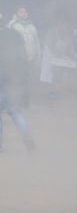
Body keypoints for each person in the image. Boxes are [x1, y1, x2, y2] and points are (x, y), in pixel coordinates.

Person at [0, 14, 35, 153]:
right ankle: (28, 139)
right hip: (11, 79)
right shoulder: (13, 34)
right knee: (15, 111)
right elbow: (22, 55)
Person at [7, 5, 40, 107]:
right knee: (15, 80)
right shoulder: (12, 25)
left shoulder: (31, 27)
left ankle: (24, 101)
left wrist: (38, 55)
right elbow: (8, 40)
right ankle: (11, 101)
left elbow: (36, 42)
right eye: (21, 11)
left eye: (24, 11)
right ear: (16, 13)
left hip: (29, 59)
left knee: (27, 80)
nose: (23, 13)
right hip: (17, 58)